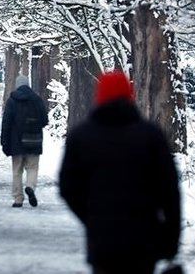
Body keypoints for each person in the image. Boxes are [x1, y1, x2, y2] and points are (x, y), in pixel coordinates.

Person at [59, 71, 181, 274]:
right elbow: (170, 192)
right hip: (144, 238)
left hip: (102, 240)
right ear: (129, 96)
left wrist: (91, 215)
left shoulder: (81, 137)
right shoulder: (150, 136)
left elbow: (68, 187)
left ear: (99, 97)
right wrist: (170, 240)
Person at [1, 75, 48, 208]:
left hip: (16, 142)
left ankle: (18, 198)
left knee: (17, 171)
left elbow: (6, 123)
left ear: (17, 85)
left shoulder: (12, 101)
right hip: (34, 140)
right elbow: (45, 120)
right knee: (32, 168)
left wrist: (5, 141)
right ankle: (30, 187)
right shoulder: (37, 99)